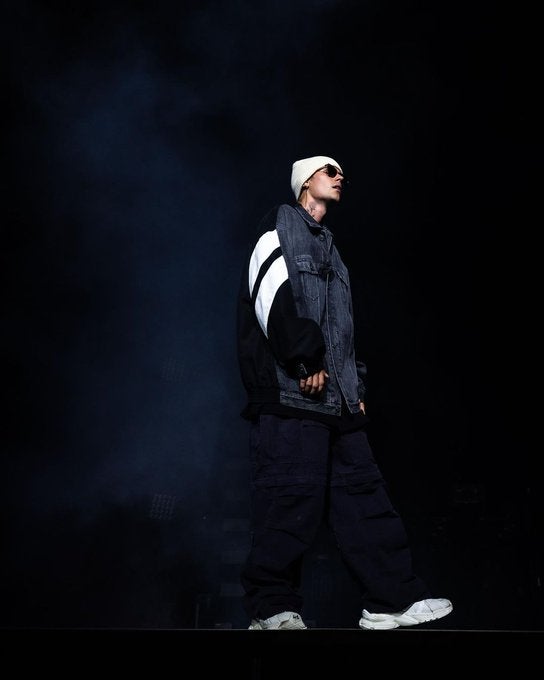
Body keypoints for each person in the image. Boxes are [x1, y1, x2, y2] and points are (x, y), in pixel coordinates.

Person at [236, 155, 453, 630]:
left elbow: (344, 330)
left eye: (342, 175)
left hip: (338, 399)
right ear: (305, 180)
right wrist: (303, 359)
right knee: (290, 498)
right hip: (292, 393)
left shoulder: (332, 250)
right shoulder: (279, 226)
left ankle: (391, 600)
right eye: (330, 171)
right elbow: (270, 295)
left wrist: (355, 385)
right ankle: (271, 608)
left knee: (364, 499)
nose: (340, 179)